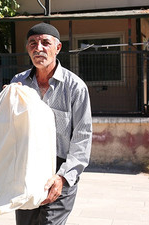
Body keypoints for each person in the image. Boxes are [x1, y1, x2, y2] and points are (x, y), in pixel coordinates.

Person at [10, 23, 93, 225]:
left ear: (57, 48)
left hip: (60, 171)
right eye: (33, 43)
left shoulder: (75, 88)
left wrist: (62, 178)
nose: (39, 48)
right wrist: (8, 100)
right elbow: (9, 128)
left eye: (45, 43)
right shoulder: (18, 83)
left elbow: (82, 138)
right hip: (27, 170)